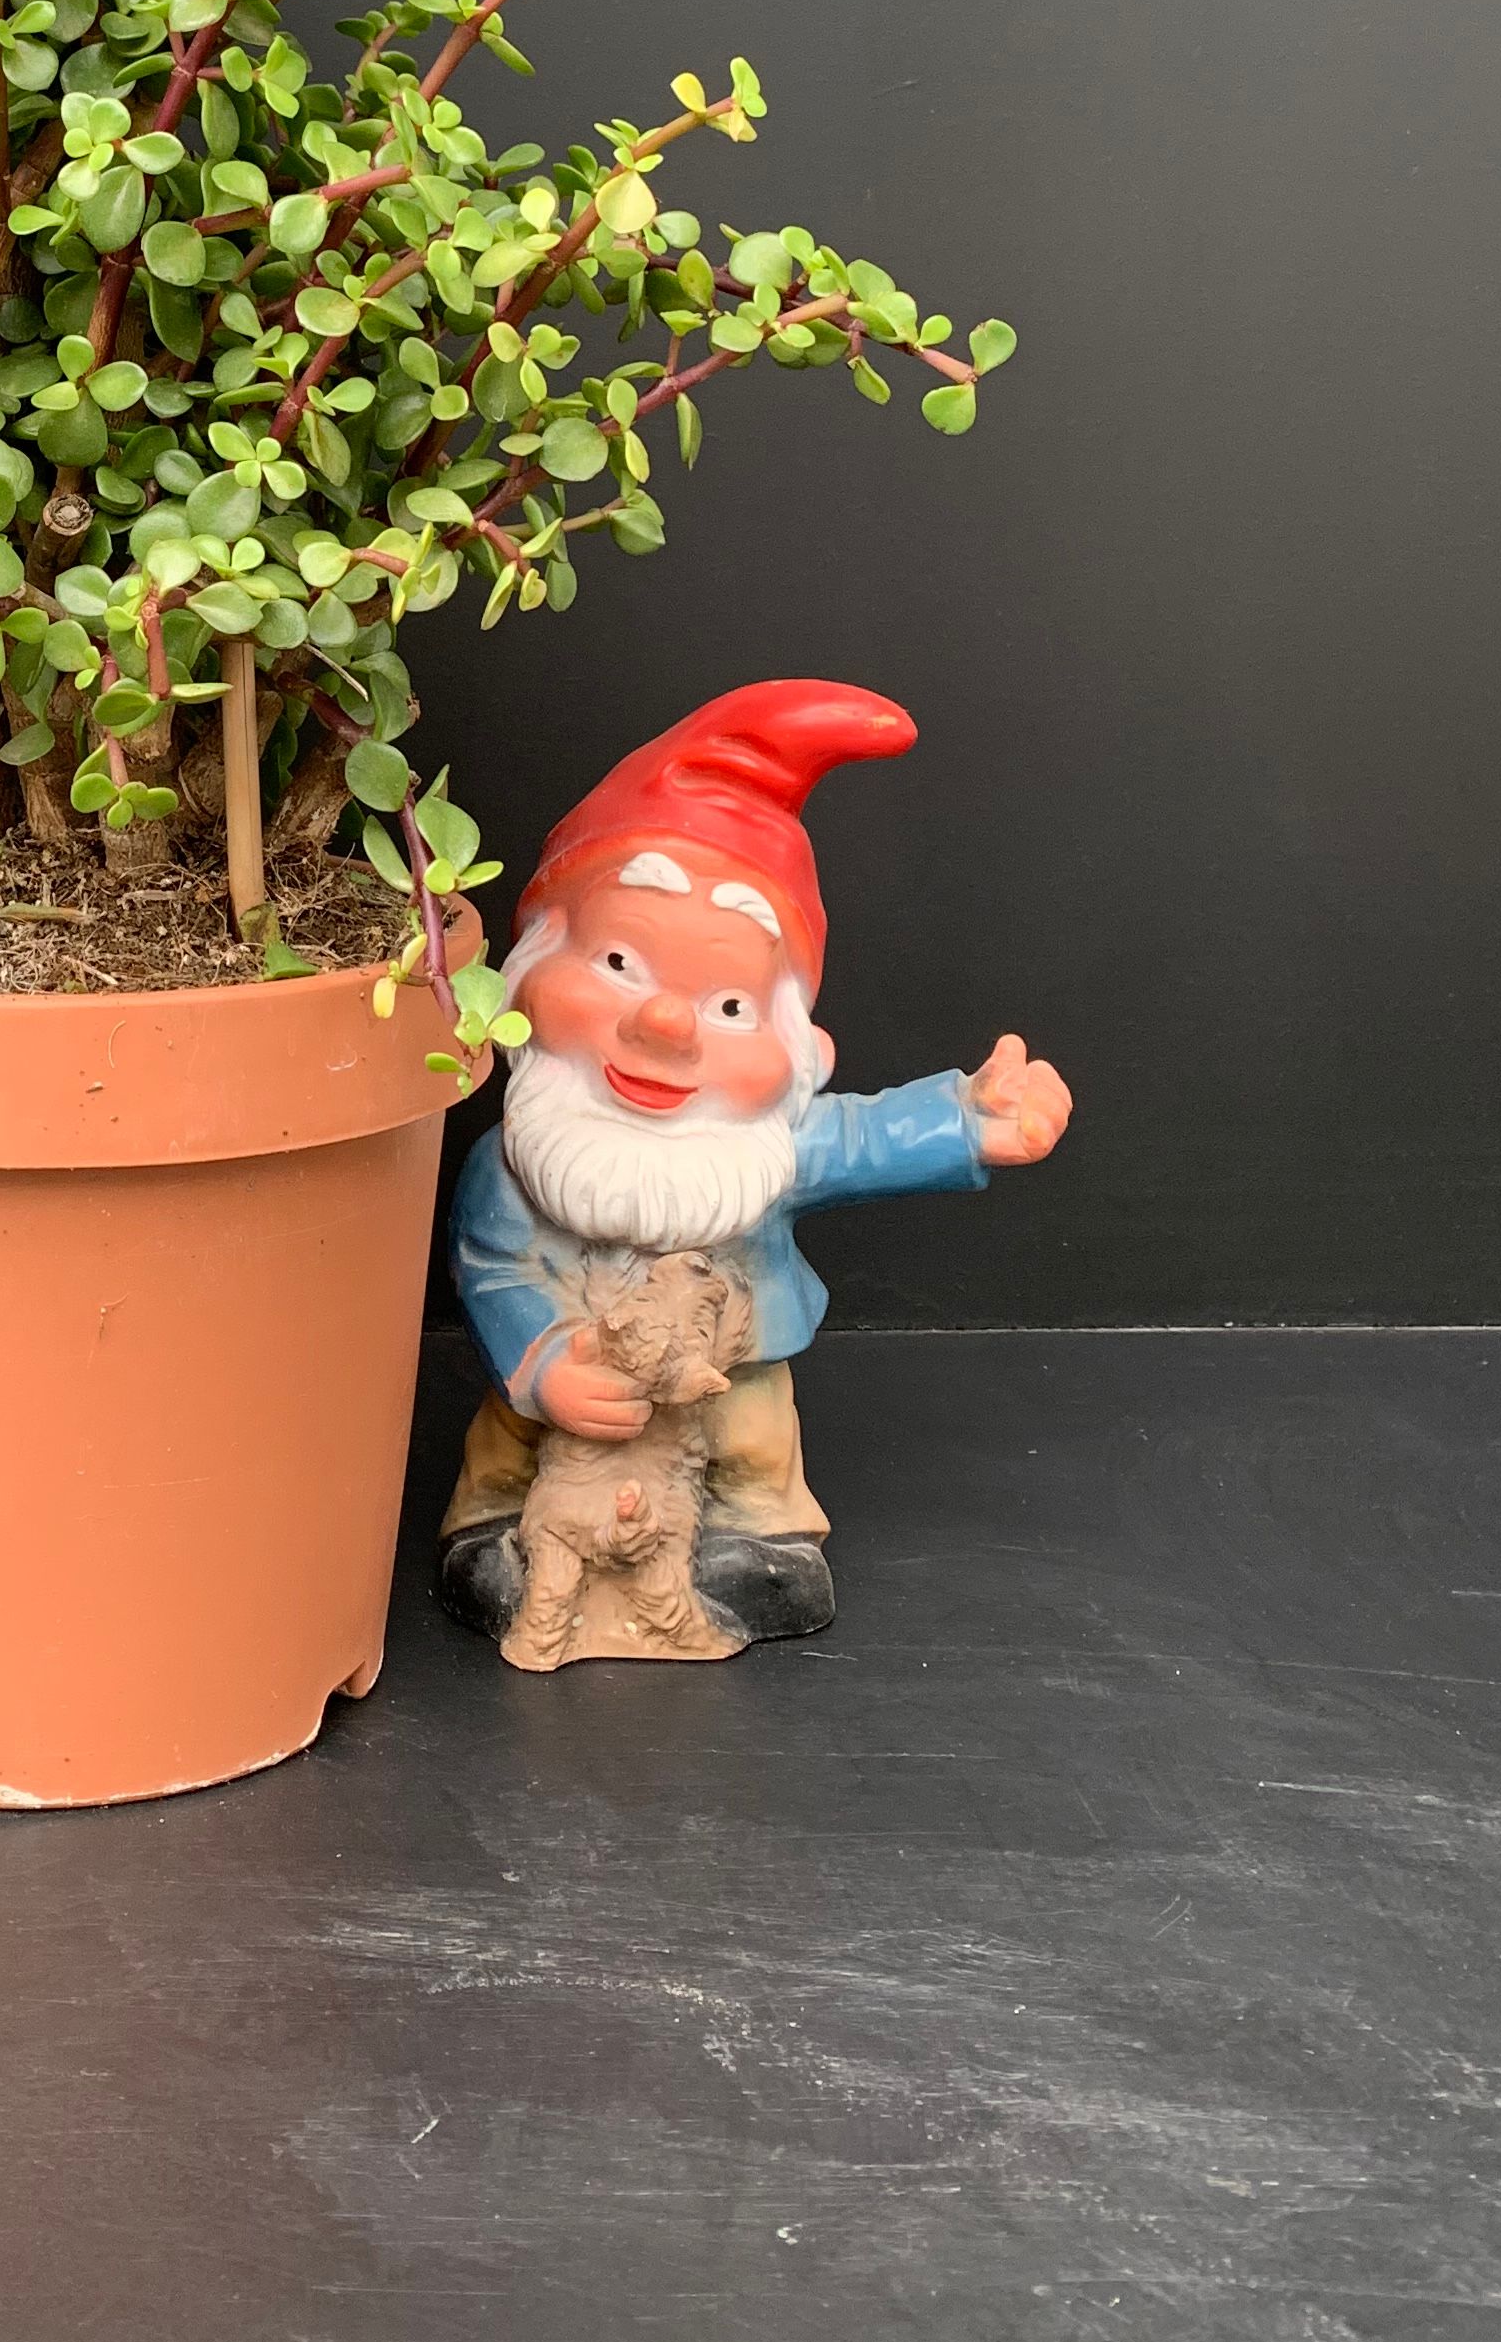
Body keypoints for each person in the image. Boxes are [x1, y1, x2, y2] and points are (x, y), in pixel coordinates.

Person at [437, 681, 1072, 1650]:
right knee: (513, 1434)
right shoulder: (516, 1164)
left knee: (752, 1428)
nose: (664, 1024)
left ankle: (759, 1533)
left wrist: (967, 1121)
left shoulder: (761, 1150)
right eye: (619, 965)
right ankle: (493, 1525)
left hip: (725, 1364)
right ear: (530, 969)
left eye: (730, 1008)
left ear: (792, 1046)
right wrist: (544, 1364)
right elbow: (491, 1268)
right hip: (579, 1366)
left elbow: (862, 1136)